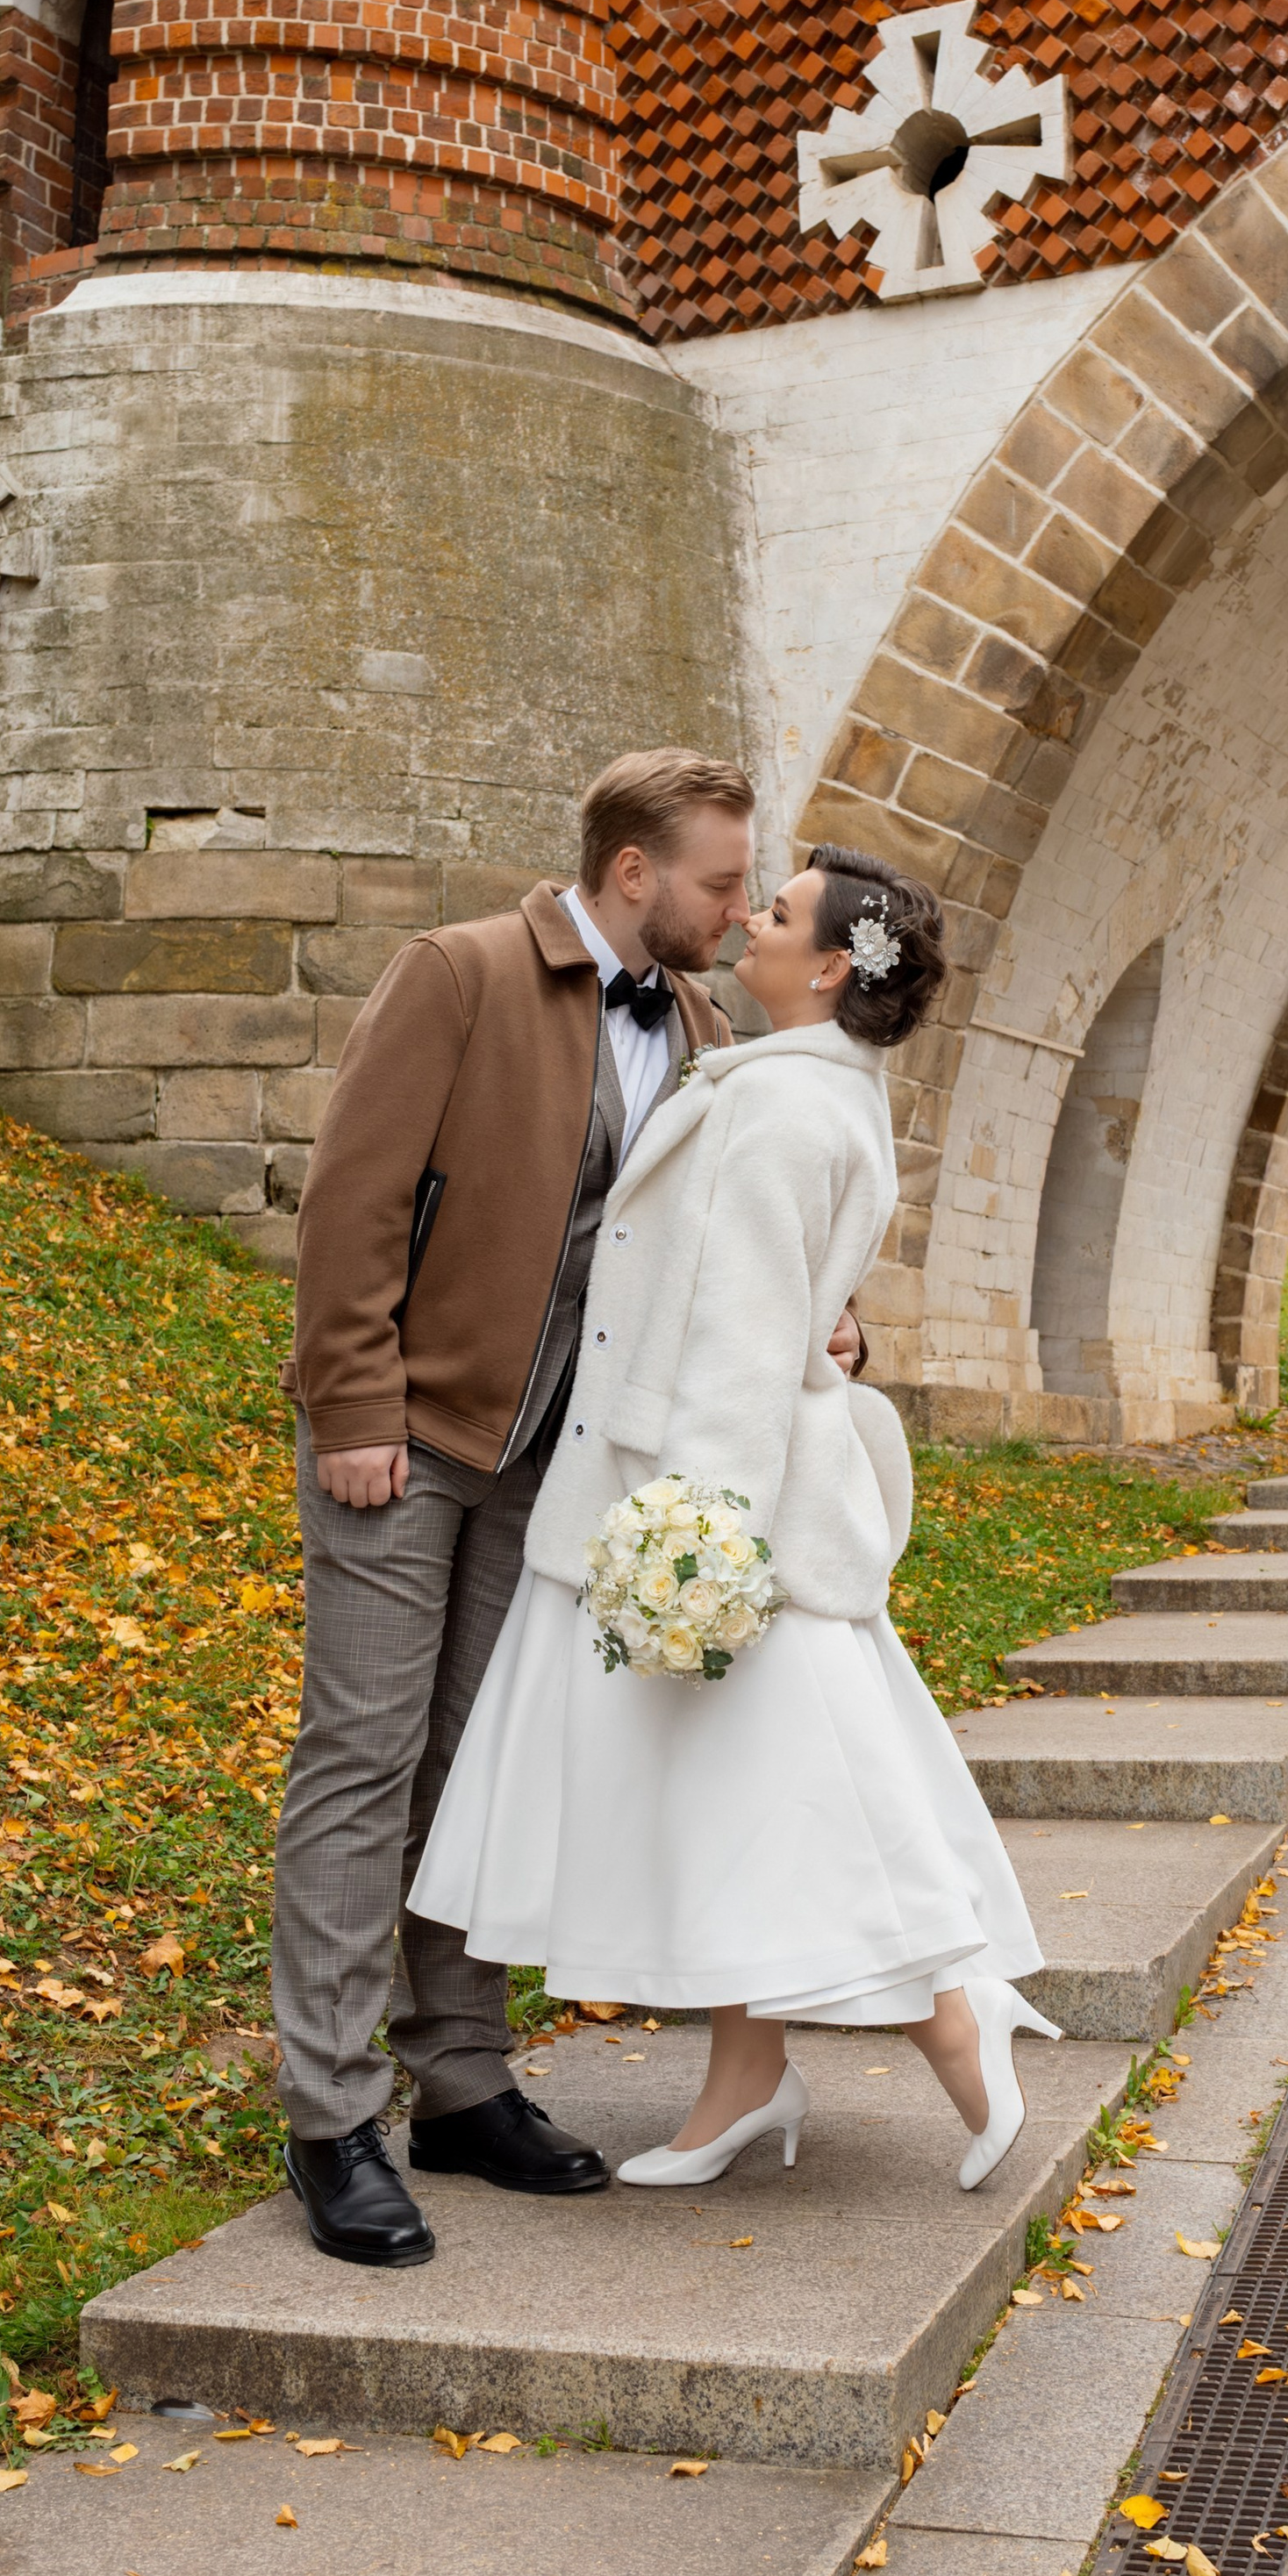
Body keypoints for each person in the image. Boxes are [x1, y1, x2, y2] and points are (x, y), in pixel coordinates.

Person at [411, 844, 1055, 2192]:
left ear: (828, 965)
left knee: (793, 1793)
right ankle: (748, 2078)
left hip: (713, 1499)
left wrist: (698, 1540)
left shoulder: (783, 1110)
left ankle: (953, 2018)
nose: (747, 922)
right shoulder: (805, 1089)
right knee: (729, 1795)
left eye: (774, 912)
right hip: (709, 1484)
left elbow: (750, 1337)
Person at [273, 748, 756, 2267]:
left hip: (556, 1459)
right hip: (407, 1436)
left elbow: (716, 1221)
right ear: (633, 873)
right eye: (721, 883)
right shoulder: (459, 975)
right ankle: (331, 2111)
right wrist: (354, 1406)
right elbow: (351, 1201)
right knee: (365, 1756)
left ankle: (461, 2081)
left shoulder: (697, 1024)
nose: (740, 913)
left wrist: (837, 1319)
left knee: (479, 1763)